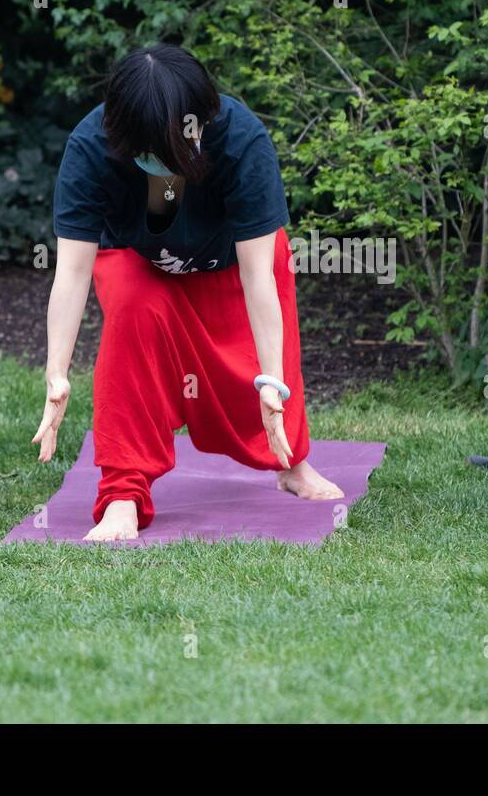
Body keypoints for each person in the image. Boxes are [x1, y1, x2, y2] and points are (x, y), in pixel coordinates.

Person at [31, 43, 342, 541]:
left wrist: (270, 381)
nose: (165, 161)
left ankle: (292, 463)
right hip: (138, 260)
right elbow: (71, 271)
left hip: (230, 263)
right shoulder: (91, 146)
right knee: (133, 321)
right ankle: (123, 493)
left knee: (265, 372)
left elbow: (260, 275)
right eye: (149, 151)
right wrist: (56, 373)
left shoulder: (240, 138)